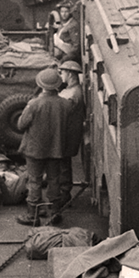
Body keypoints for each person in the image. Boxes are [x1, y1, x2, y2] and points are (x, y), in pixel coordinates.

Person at [16, 68, 72, 226]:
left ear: (41, 85)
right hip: (55, 150)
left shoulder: (34, 104)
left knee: (34, 181)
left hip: (34, 150)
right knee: (54, 180)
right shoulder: (65, 104)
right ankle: (55, 214)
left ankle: (33, 216)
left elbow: (21, 125)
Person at [58, 60, 85, 208]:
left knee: (63, 165)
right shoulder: (72, 90)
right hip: (68, 134)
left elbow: (63, 114)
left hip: (66, 135)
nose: (61, 75)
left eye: (62, 72)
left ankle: (64, 194)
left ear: (69, 73)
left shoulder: (72, 93)